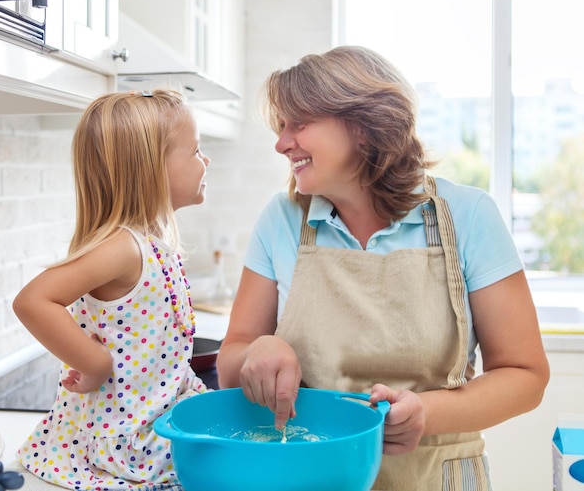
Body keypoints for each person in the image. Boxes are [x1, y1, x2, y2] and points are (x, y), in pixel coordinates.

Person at [216, 46, 550, 490]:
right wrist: (258, 350)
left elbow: (525, 375)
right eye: (281, 126)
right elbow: (230, 359)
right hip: (309, 477)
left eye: (299, 123)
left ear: (365, 127)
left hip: (438, 477)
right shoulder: (280, 220)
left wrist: (426, 414)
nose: (282, 143)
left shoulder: (468, 216)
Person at [13, 89, 210, 490]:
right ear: (152, 169)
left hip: (157, 426)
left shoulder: (153, 243)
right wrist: (95, 363)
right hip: (123, 446)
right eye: (196, 150)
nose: (205, 160)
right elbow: (33, 301)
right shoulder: (122, 248)